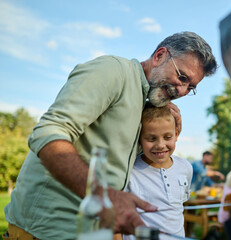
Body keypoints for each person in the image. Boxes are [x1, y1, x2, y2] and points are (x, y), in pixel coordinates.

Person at [4, 31, 217, 240]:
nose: (181, 91)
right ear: (160, 55)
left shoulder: (144, 105)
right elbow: (48, 132)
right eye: (181, 77)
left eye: (190, 87)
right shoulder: (113, 71)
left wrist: (167, 131)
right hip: (43, 231)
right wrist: (103, 196)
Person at [121, 102, 192, 240]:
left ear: (176, 134)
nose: (160, 145)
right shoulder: (129, 171)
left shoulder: (185, 167)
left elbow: (179, 206)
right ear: (140, 139)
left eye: (167, 137)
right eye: (151, 138)